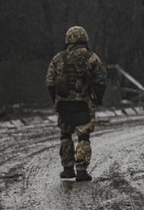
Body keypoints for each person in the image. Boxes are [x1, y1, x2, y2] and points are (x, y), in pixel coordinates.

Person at [45, 26, 107, 181]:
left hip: (63, 104)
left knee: (65, 135)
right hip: (84, 105)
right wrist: (97, 98)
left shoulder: (58, 58)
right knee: (83, 136)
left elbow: (49, 82)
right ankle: (81, 170)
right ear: (84, 38)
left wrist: (56, 100)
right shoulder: (92, 58)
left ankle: (67, 169)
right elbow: (101, 79)